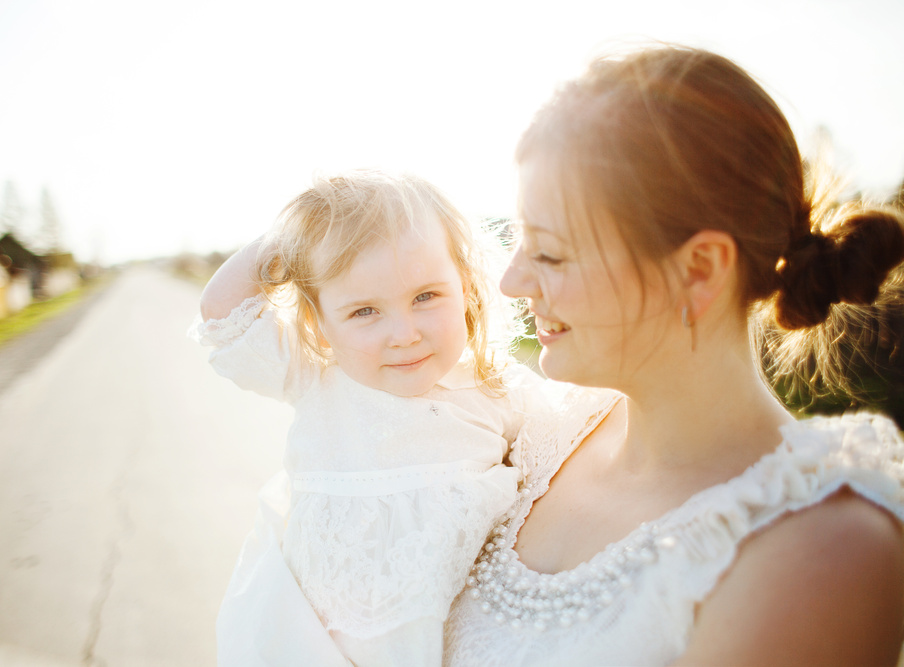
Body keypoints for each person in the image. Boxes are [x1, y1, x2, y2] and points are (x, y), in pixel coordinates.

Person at [444, 45, 904, 665]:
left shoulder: (821, 546)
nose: (513, 283)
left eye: (550, 254)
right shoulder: (528, 439)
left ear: (699, 269)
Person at [192, 170, 556, 666]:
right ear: (319, 326)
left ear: (467, 291)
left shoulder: (496, 389)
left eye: (425, 297)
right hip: (316, 641)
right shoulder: (317, 378)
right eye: (365, 311)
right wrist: (299, 233)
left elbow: (577, 440)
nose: (404, 333)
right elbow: (220, 313)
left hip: (448, 637)